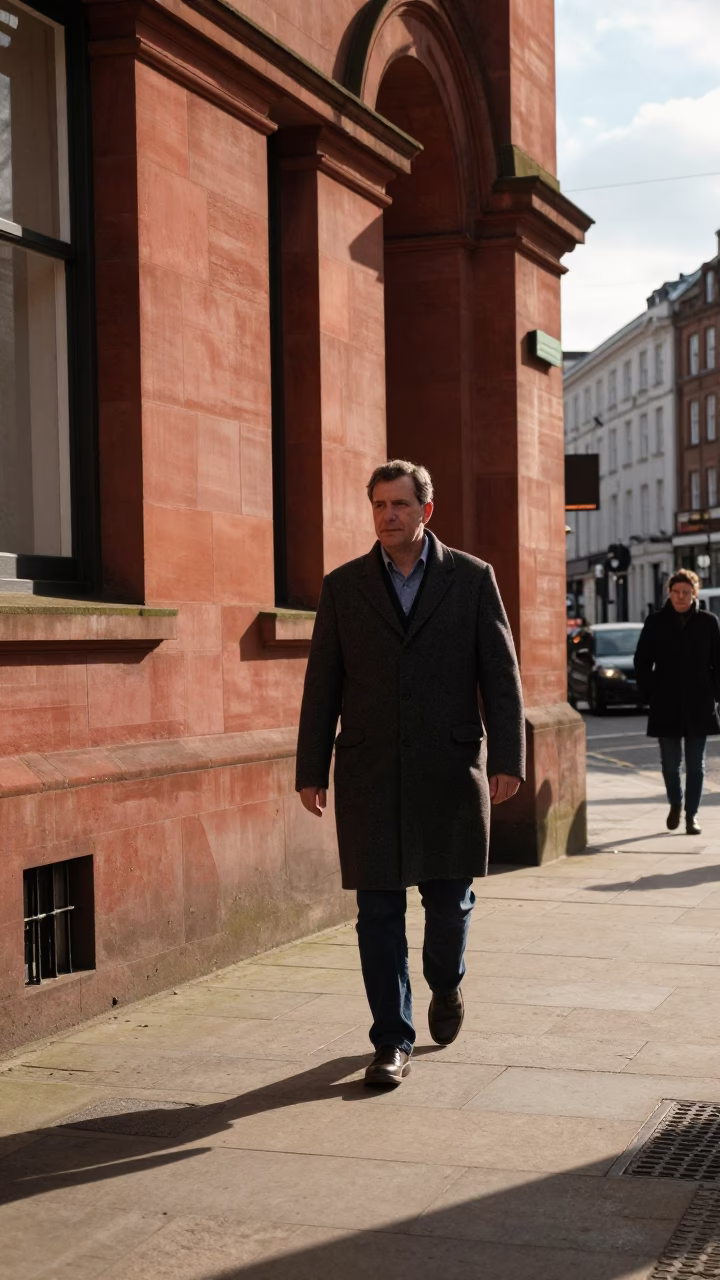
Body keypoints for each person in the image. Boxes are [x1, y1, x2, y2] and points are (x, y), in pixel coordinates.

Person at [295, 459, 525, 1087]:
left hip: (450, 772)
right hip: (370, 772)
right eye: (378, 505)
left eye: (399, 504)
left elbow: (500, 677)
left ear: (426, 510)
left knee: (448, 904)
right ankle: (391, 1040)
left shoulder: (474, 580)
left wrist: (509, 757)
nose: (388, 516)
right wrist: (311, 768)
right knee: (377, 913)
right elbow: (323, 686)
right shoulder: (342, 587)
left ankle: (446, 986)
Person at [634, 568, 720, 835]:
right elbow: (642, 661)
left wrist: (716, 696)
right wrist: (651, 693)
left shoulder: (708, 622)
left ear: (694, 594)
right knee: (671, 765)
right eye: (676, 592)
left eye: (686, 592)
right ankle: (675, 802)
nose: (681, 597)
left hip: (700, 704)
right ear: (669, 593)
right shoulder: (656, 622)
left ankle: (691, 815)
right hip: (666, 705)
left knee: (696, 766)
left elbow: (718, 664)